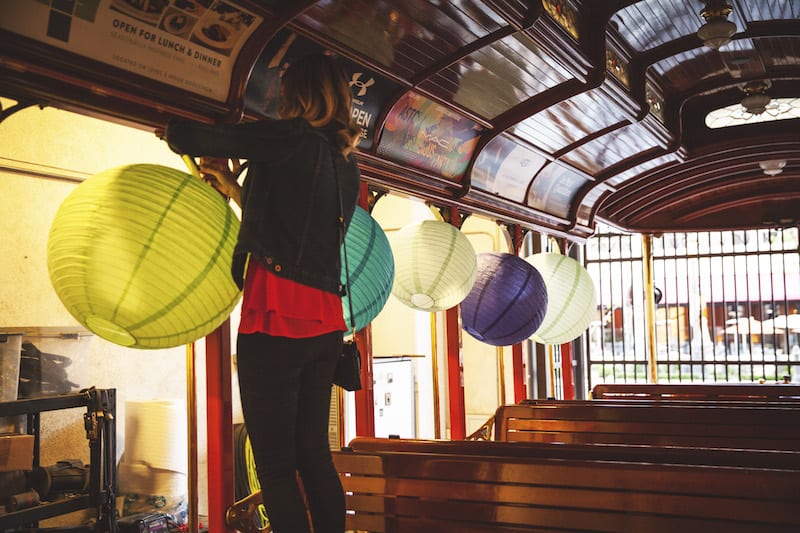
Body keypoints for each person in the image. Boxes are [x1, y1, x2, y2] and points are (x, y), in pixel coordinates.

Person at [164, 53, 361, 533]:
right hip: (324, 325)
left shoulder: (289, 137)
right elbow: (293, 227)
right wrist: (233, 185)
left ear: (299, 93)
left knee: (274, 466)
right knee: (313, 454)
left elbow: (186, 136)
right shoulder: (346, 165)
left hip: (275, 317)